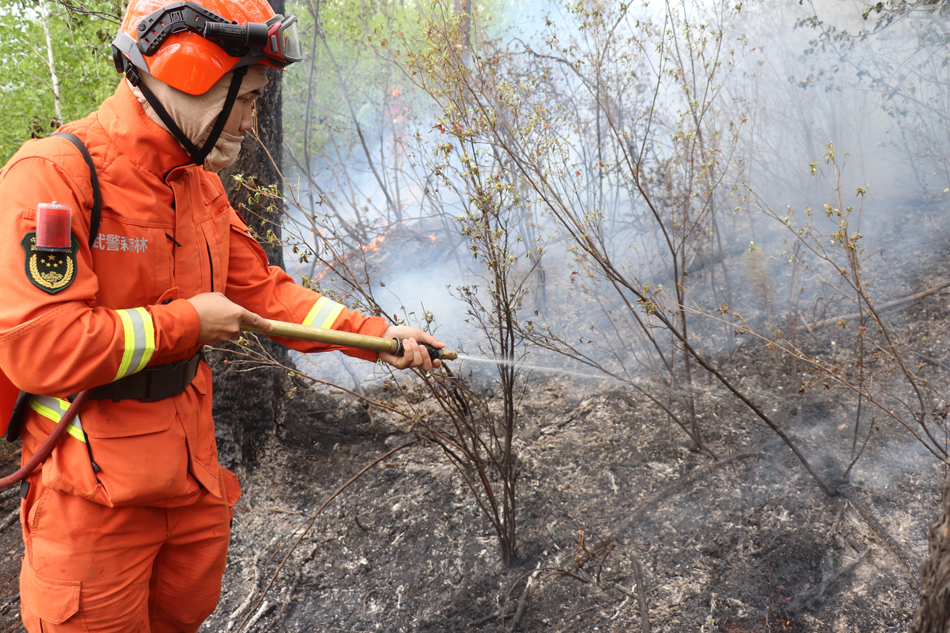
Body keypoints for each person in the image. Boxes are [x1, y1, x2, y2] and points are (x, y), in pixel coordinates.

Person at [0, 0, 443, 630]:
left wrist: (375, 337)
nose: (252, 121)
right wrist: (184, 324)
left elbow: (263, 291)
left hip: (190, 486)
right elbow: (38, 347)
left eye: (258, 101)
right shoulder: (52, 179)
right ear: (186, 76)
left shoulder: (198, 184)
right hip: (93, 508)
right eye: (244, 99)